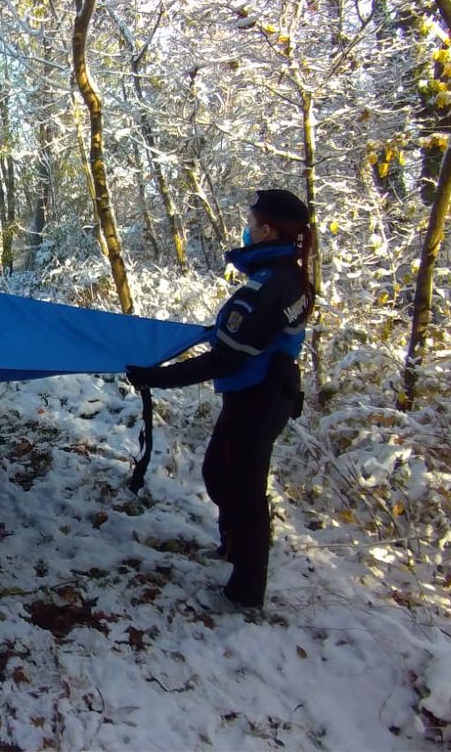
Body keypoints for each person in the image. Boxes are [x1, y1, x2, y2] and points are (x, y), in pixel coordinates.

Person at [126, 189, 315, 612]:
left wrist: (156, 377)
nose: (245, 230)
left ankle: (245, 594)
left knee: (240, 490)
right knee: (223, 476)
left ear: (266, 231)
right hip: (267, 394)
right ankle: (233, 551)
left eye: (251, 223)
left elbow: (224, 360)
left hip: (257, 399)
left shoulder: (267, 286)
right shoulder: (289, 273)